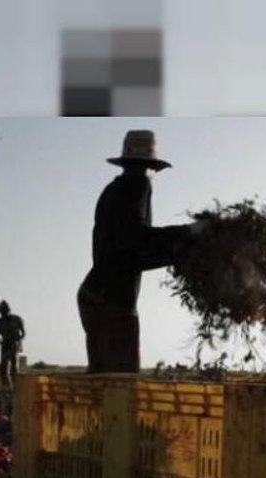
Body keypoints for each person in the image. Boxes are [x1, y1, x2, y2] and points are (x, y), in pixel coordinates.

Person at [76, 130, 211, 373]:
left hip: (95, 296)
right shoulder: (138, 184)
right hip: (111, 303)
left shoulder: (113, 190)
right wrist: (190, 233)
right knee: (120, 388)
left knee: (104, 383)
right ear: (150, 166)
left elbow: (131, 249)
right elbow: (137, 244)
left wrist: (183, 249)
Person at [0, 300, 25, 385]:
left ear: (8, 309)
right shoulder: (0, 321)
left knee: (15, 368)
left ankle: (16, 387)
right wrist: (1, 342)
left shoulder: (17, 319)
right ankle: (7, 387)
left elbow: (23, 333)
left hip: (15, 345)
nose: (3, 312)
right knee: (4, 368)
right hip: (5, 346)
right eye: (1, 311)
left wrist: (18, 341)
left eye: (4, 310)